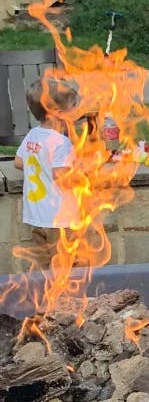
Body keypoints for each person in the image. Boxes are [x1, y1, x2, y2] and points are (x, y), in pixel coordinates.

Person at [14, 76, 78, 270]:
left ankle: (43, 298)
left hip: (36, 216)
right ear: (57, 114)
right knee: (65, 264)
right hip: (58, 218)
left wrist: (40, 165)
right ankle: (66, 299)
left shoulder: (33, 135)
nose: (75, 112)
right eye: (72, 108)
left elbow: (18, 162)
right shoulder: (60, 142)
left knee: (43, 266)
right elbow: (60, 176)